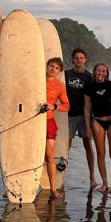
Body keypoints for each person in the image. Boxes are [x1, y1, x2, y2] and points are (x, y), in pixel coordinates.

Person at [65, 48, 97, 188]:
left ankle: (92, 177)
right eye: (76, 58)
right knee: (67, 146)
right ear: (73, 60)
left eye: (81, 58)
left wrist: (91, 119)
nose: (79, 60)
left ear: (85, 60)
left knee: (88, 145)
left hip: (84, 116)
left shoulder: (89, 77)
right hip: (69, 115)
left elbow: (93, 100)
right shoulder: (66, 74)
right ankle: (61, 176)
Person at [84, 62, 111, 193]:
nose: (101, 73)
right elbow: (87, 108)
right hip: (97, 121)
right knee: (100, 153)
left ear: (107, 73)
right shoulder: (89, 86)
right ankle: (105, 182)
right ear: (94, 71)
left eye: (103, 71)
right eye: (98, 71)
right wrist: (88, 127)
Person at [45, 57, 70, 199]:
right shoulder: (36, 79)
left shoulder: (60, 86)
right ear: (47, 66)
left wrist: (54, 106)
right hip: (31, 124)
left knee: (49, 156)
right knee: (28, 154)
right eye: (51, 66)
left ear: (59, 71)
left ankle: (53, 190)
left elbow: (67, 106)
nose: (53, 69)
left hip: (49, 121)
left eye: (56, 68)